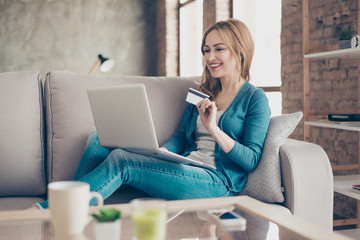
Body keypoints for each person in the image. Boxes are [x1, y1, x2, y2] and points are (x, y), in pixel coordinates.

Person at [36, 18, 270, 209]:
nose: (210, 57)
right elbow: (180, 136)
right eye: (206, 50)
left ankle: (50, 211)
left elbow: (250, 160)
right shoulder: (203, 92)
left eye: (219, 49)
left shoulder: (255, 99)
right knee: (98, 138)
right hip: (185, 166)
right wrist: (164, 152)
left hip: (218, 182)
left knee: (122, 161)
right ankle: (75, 205)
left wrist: (214, 129)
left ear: (240, 51)